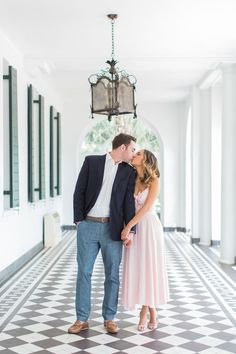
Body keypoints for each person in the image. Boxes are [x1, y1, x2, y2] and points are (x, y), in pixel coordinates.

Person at [68, 133, 137, 335]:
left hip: (112, 228)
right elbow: (78, 191)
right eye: (132, 149)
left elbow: (128, 203)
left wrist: (130, 229)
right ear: (122, 148)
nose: (133, 154)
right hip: (88, 225)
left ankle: (109, 318)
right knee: (84, 273)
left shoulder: (128, 172)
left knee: (112, 275)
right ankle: (82, 319)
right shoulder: (92, 162)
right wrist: (79, 221)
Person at [121, 149, 169, 331]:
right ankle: (152, 310)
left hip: (149, 227)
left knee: (150, 267)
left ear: (146, 159)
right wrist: (130, 228)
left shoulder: (154, 179)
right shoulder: (132, 178)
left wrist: (127, 227)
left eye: (138, 153)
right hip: (135, 228)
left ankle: (145, 312)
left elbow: (147, 207)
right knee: (139, 268)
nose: (134, 155)